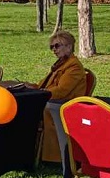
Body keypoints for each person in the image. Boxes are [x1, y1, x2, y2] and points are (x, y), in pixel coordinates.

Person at [19, 30, 86, 163]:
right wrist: (31, 87)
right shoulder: (60, 65)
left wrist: (40, 95)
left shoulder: (74, 67)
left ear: (69, 46)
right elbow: (43, 85)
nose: (54, 50)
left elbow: (62, 91)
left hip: (62, 106)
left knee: (24, 110)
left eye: (57, 46)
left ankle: (31, 154)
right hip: (51, 100)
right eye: (52, 47)